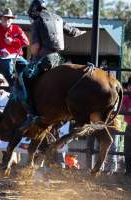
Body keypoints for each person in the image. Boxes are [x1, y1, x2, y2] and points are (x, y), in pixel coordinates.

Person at [18, 0, 87, 132]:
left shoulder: (37, 21)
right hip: (59, 59)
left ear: (34, 10)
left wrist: (32, 56)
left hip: (45, 59)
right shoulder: (58, 18)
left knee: (24, 78)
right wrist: (81, 31)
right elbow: (74, 32)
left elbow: (36, 47)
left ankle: (31, 114)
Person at [0, 8, 29, 87]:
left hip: (17, 57)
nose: (7, 19)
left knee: (28, 68)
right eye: (5, 17)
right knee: (9, 70)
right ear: (1, 19)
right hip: (3, 58)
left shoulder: (17, 29)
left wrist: (12, 41)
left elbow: (26, 42)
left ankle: (26, 87)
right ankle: (14, 90)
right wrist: (1, 53)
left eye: (9, 18)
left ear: (12, 19)